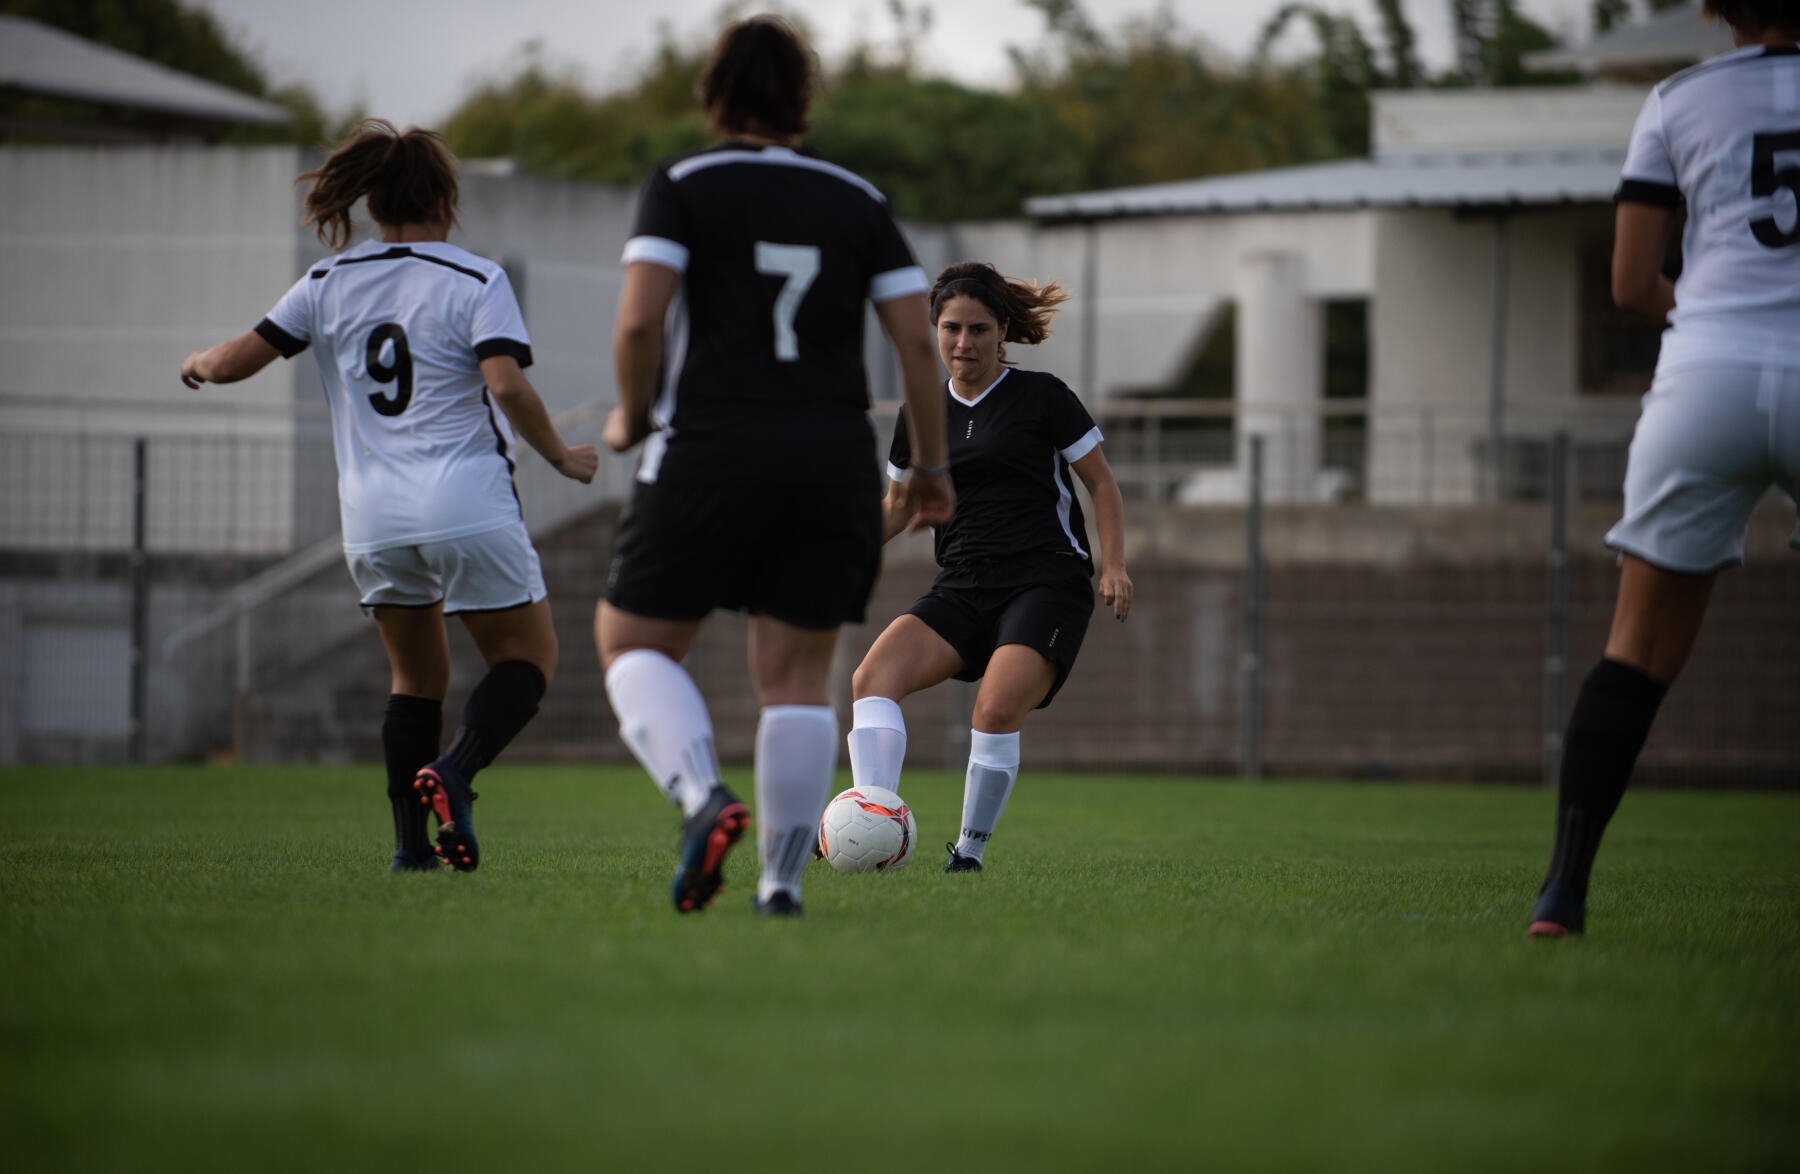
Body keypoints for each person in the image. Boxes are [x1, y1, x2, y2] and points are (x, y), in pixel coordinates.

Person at [598, 16, 954, 917]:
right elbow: (916, 338)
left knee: (633, 642)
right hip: (831, 456)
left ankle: (702, 798)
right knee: (796, 678)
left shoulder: (682, 182)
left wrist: (633, 416)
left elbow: (641, 322)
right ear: (805, 100)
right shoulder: (857, 200)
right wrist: (931, 467)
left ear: (712, 95)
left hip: (710, 446)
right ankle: (781, 885)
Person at [179, 120, 598, 874]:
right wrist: (562, 456)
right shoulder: (475, 279)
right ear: (446, 199)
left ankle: (411, 851)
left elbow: (239, 359)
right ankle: (457, 771)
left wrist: (200, 362)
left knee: (416, 679)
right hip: (463, 497)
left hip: (371, 514)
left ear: (372, 208)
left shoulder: (326, 281)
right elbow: (503, 382)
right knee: (528, 657)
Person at [1528, 1, 1799, 938]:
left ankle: (1563, 892)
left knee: (1636, 650)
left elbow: (1633, 282)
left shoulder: (1678, 98)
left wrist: (1725, 322)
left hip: (1705, 374)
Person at [846, 262, 1132, 873]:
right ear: (934, 332)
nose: (962, 342)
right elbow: (897, 508)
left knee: (995, 710)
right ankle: (873, 819)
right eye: (951, 328)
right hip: (962, 585)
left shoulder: (1042, 396)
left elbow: (1101, 484)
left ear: (1002, 330)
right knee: (871, 680)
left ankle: (968, 855)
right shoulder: (919, 414)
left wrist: (1115, 565)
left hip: (1046, 582)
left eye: (978, 329)